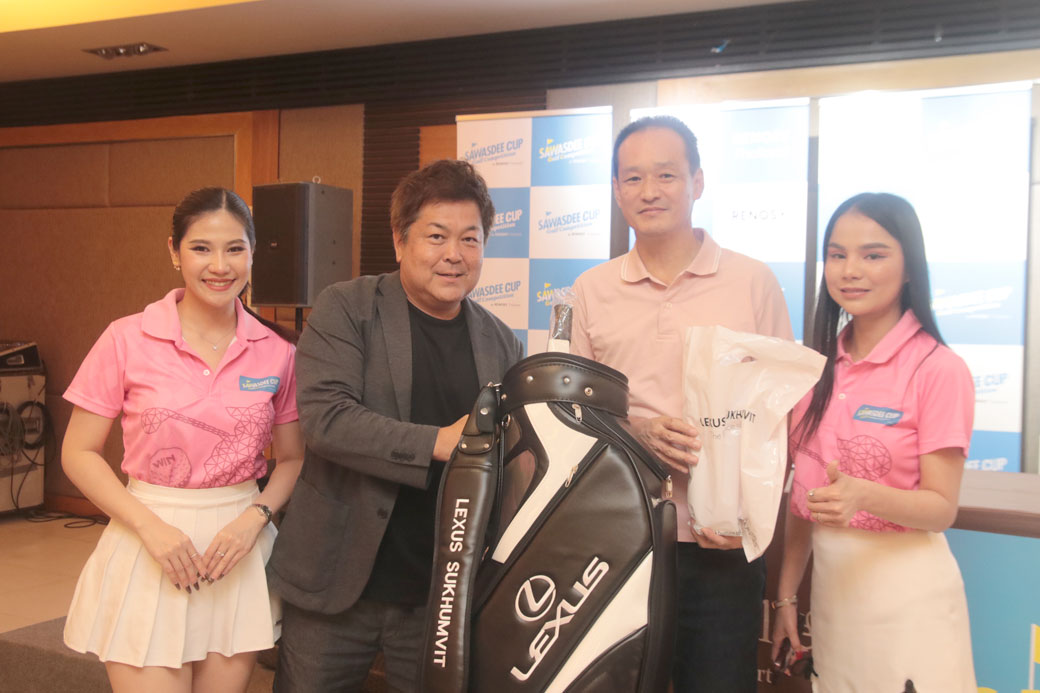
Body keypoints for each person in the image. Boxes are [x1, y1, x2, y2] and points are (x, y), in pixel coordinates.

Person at [267, 159, 524, 692]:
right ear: (400, 240)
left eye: (470, 239)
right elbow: (327, 420)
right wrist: (440, 443)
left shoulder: (501, 342)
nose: (454, 254)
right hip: (336, 580)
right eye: (437, 236)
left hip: (439, 593)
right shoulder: (347, 308)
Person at [570, 115, 793, 693]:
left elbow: (779, 415)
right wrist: (637, 431)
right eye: (633, 178)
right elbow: (572, 416)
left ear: (697, 181)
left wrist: (753, 522)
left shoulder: (753, 282)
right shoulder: (589, 291)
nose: (649, 191)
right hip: (619, 543)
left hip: (721, 544)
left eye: (666, 174)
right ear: (616, 190)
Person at [61, 187, 305, 693]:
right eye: (201, 248)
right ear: (174, 252)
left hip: (237, 550)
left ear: (252, 254)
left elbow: (292, 459)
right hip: (147, 539)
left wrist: (255, 519)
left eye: (235, 249)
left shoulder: (278, 351)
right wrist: (150, 527)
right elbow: (78, 453)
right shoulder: (126, 337)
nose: (219, 265)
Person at [770, 192, 977, 691]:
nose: (851, 271)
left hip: (911, 603)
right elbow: (804, 500)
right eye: (837, 255)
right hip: (835, 603)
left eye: (873, 255)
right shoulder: (815, 367)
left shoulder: (938, 369)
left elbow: (941, 509)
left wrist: (863, 495)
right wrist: (787, 595)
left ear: (909, 267)